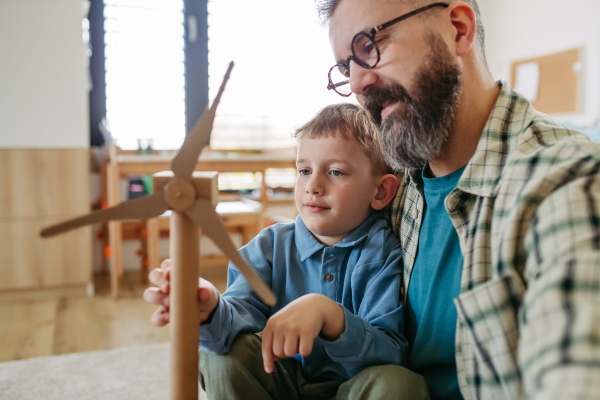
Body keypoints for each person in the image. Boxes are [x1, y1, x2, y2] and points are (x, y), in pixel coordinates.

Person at [320, 0, 600, 399]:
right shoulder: (392, 190)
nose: (360, 83)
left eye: (370, 45)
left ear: (459, 29)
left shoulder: (566, 183)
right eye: (348, 68)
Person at [144, 103, 431, 399]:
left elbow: (391, 355)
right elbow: (233, 323)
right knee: (221, 354)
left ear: (381, 191)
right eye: (304, 170)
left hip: (351, 390)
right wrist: (209, 309)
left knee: (401, 384)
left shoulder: (381, 252)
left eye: (335, 172)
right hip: (278, 383)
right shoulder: (267, 247)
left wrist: (333, 318)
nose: (313, 186)